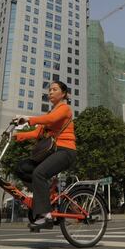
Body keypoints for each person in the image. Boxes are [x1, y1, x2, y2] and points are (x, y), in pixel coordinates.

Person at [13, 81, 77, 231]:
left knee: (39, 173)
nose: (50, 92)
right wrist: (16, 136)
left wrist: (29, 119)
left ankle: (46, 216)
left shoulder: (65, 109)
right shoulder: (51, 112)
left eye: (54, 89)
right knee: (21, 168)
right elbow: (37, 133)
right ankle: (44, 193)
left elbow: (51, 120)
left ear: (63, 94)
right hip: (53, 151)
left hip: (65, 151)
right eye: (49, 90)